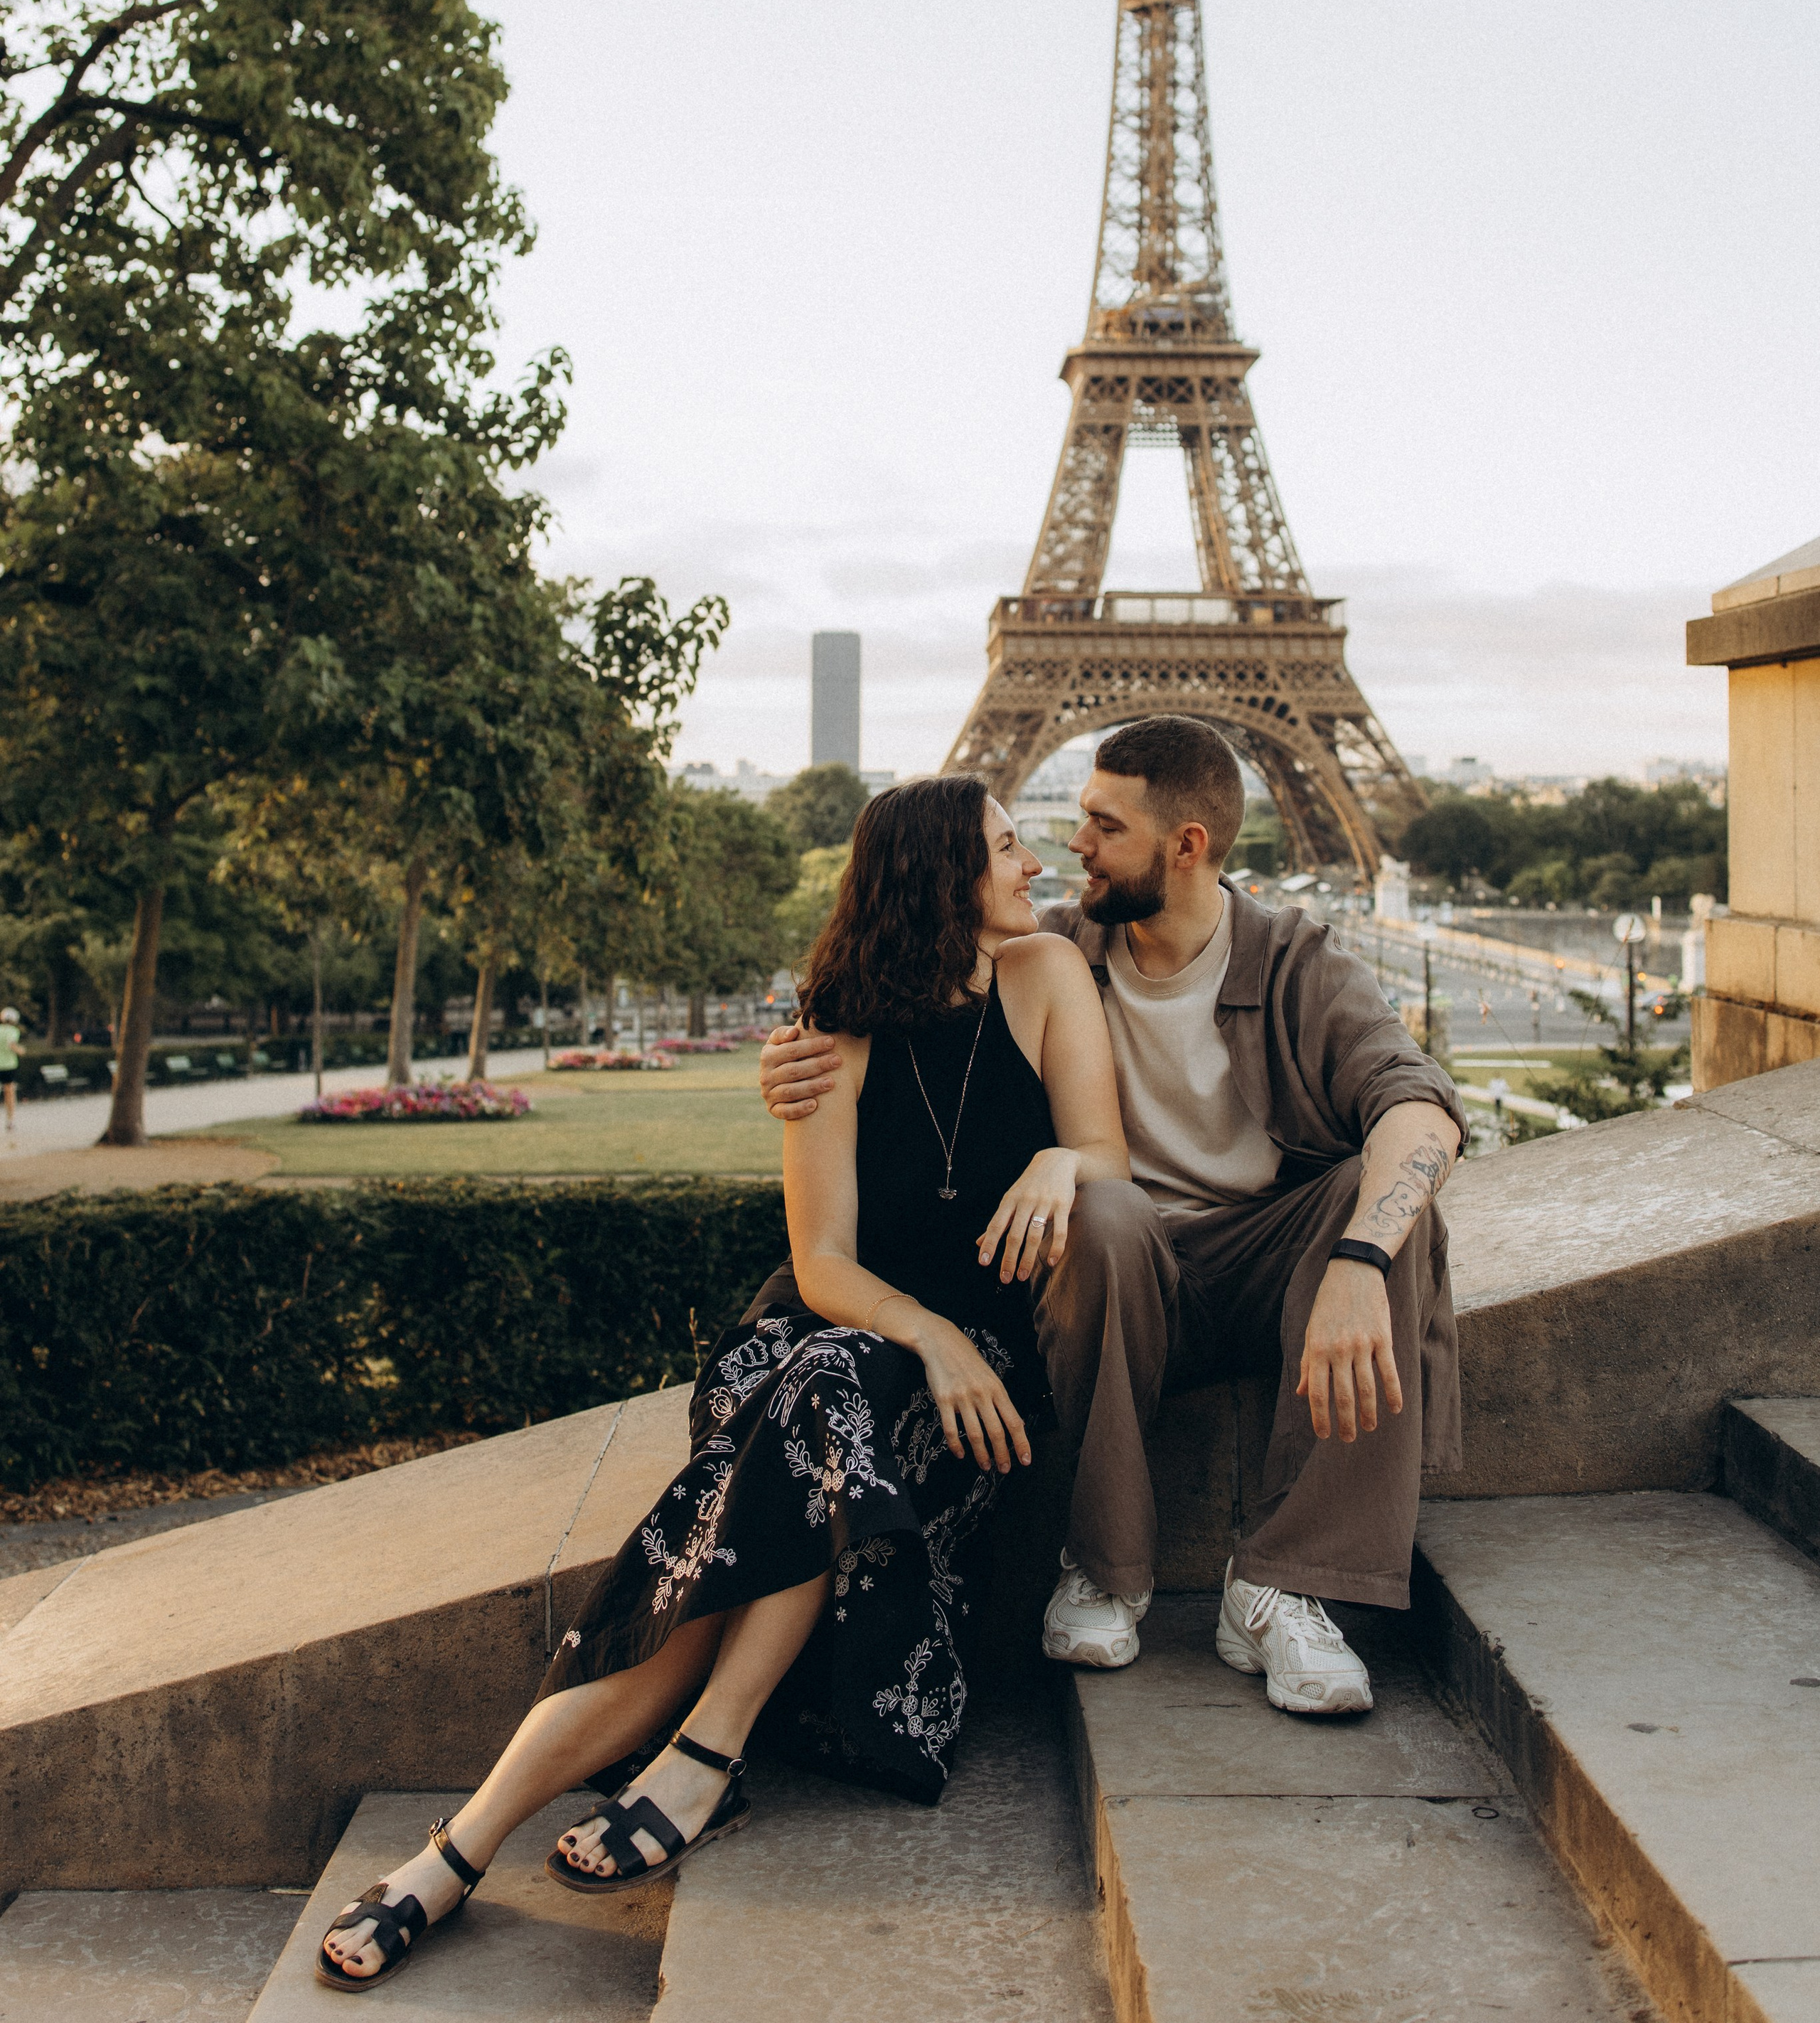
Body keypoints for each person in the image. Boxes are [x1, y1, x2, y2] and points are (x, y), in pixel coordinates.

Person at [316, 776, 1127, 1992]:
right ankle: (696, 1755)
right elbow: (823, 1267)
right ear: (941, 879)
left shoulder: (1049, 977)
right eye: (1011, 850)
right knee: (832, 1386)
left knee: (742, 1512)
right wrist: (935, 1336)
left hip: (952, 1394)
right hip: (830, 1344)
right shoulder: (831, 1028)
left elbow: (1107, 1152)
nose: (1036, 870)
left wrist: (1064, 1162)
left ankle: (458, 1849)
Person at [761, 717, 1467, 1721]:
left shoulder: (1298, 964)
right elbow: (908, 985)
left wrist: (1358, 1258)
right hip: (1123, 1261)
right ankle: (1104, 1568)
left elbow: (1420, 1110)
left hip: (1266, 1258)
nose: (1072, 847)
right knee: (1110, 1211)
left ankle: (1285, 1580)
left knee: (1391, 1201)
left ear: (1187, 847)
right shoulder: (1055, 949)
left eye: (1103, 824)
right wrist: (793, 1058)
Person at [0, 1007, 18, 1145]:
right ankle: (10, 1120)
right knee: (10, 1093)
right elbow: (11, 1044)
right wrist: (21, 1050)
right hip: (9, 1066)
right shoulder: (13, 1031)